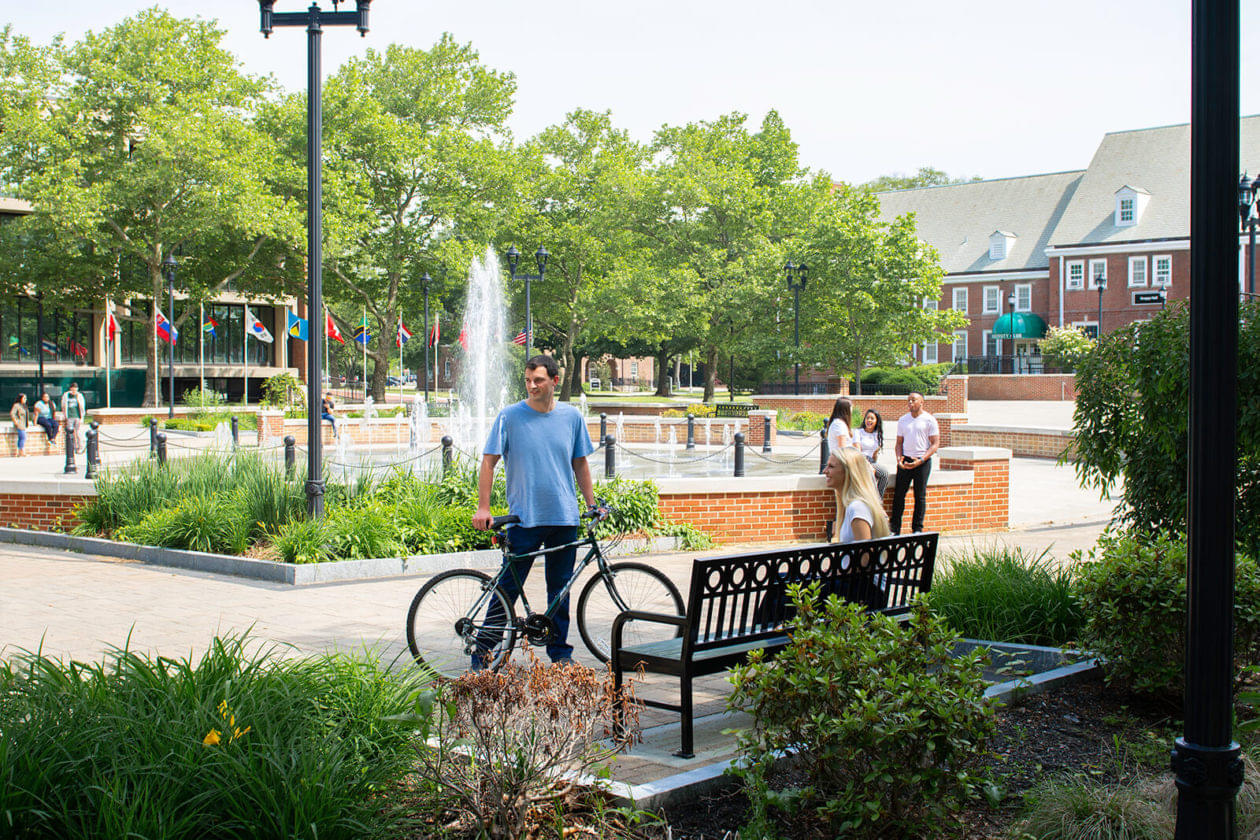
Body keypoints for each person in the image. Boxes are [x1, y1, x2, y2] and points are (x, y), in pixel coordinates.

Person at [473, 355, 599, 665]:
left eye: (539, 380)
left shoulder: (571, 417)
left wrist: (592, 504)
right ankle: (483, 652)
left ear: (554, 381)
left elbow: (580, 463)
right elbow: (488, 461)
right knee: (508, 589)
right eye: (528, 380)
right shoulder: (510, 416)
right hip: (525, 518)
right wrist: (483, 507)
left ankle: (559, 654)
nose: (532, 386)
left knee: (560, 591)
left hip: (564, 517)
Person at [890, 391, 940, 534]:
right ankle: (895, 528)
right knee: (899, 494)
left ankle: (917, 529)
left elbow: (935, 444)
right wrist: (899, 459)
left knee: (920, 495)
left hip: (922, 462)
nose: (910, 403)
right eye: (909, 400)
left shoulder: (929, 420)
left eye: (913, 400)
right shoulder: (903, 420)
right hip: (905, 461)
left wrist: (921, 460)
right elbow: (899, 443)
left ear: (921, 402)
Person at [853, 408, 890, 497]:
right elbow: (857, 451)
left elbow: (874, 457)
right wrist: (868, 465)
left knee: (884, 473)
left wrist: (875, 454)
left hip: (871, 461)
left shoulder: (877, 434)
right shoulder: (858, 432)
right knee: (869, 475)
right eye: (867, 418)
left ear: (877, 421)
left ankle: (878, 500)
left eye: (872, 418)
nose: (869, 420)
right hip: (861, 460)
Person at [61, 383, 86, 454]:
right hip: (69, 417)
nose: (74, 390)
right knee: (70, 433)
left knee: (78, 432)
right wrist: (65, 415)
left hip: (77, 416)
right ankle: (72, 447)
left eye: (75, 388)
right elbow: (63, 405)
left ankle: (80, 447)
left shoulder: (79, 396)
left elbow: (82, 407)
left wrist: (82, 417)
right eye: (73, 388)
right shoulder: (66, 395)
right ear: (70, 388)